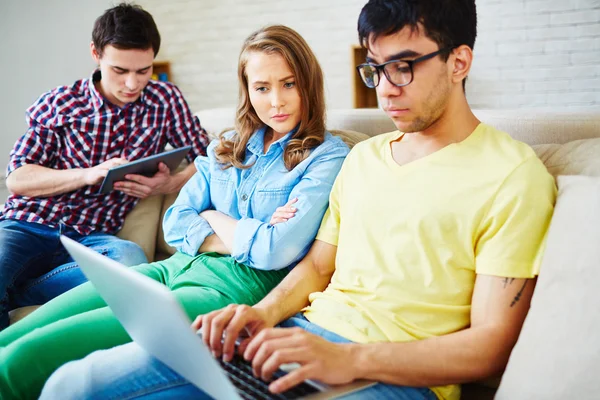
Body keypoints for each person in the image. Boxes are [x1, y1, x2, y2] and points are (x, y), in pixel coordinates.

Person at [41, 1, 557, 399]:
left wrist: (350, 360)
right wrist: (258, 316)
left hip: (391, 377)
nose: (385, 91)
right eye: (375, 69)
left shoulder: (512, 175)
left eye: (403, 66)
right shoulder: (367, 157)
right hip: (297, 335)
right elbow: (316, 268)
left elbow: (490, 347)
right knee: (75, 382)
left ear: (459, 60)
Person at [0, 24, 348, 400]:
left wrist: (213, 216)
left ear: (308, 83)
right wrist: (242, 229)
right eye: (262, 87)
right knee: (14, 337)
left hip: (226, 290)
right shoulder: (229, 144)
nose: (276, 101)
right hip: (168, 268)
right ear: (247, 90)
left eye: (289, 84)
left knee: (25, 358)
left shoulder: (327, 156)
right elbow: (175, 224)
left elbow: (273, 252)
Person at [0, 3, 211, 329]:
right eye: (120, 70)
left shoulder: (165, 101)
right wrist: (88, 174)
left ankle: (16, 291)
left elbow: (211, 157)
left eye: (143, 71)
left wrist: (172, 183)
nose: (132, 84)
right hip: (27, 225)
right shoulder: (61, 102)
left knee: (132, 264)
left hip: (91, 239)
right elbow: (17, 179)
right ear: (95, 54)